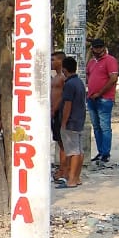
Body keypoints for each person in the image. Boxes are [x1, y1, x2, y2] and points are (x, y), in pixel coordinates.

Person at [85, 38, 119, 164]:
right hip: (91, 98)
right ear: (92, 48)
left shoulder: (110, 60)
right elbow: (88, 74)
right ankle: (100, 151)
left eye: (100, 47)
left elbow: (113, 78)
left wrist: (100, 92)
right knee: (96, 127)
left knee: (104, 126)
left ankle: (106, 153)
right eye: (96, 47)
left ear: (104, 47)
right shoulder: (92, 62)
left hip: (104, 98)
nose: (98, 49)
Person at [57, 56, 87, 189]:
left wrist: (63, 122)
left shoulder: (69, 84)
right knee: (79, 151)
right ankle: (76, 177)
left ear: (64, 69)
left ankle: (72, 180)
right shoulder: (79, 82)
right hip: (79, 119)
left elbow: (67, 105)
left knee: (73, 151)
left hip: (71, 122)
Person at [50, 51, 66, 182]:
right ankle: (62, 169)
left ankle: (63, 170)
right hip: (53, 112)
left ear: (60, 61)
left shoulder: (63, 77)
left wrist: (55, 109)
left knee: (63, 144)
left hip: (58, 112)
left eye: (53, 60)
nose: (51, 62)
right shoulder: (55, 77)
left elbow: (63, 96)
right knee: (59, 142)